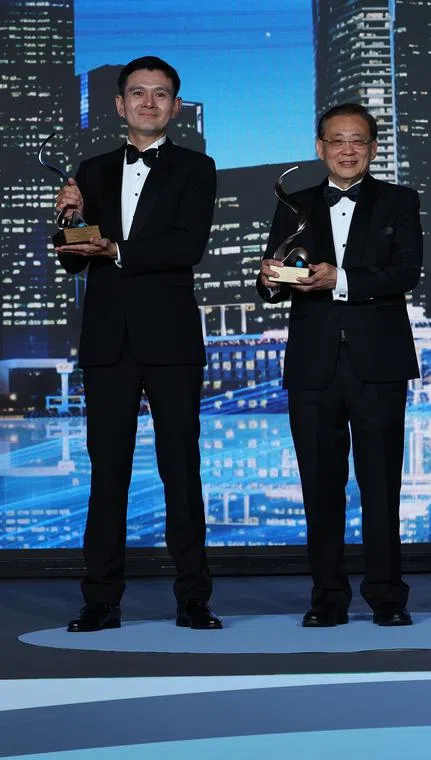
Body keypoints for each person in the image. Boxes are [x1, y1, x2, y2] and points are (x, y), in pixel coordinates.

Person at [54, 56, 221, 632]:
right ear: (120, 104)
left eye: (160, 94)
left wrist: (114, 249)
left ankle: (193, 600)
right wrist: (71, 222)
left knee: (181, 468)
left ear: (174, 105)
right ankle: (100, 601)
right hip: (106, 341)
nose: (149, 103)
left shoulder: (197, 168)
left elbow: (187, 246)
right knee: (108, 474)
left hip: (171, 339)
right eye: (137, 93)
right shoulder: (92, 169)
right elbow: (75, 259)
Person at [256, 103, 422, 627]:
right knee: (319, 488)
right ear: (320, 147)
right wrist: (268, 279)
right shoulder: (294, 204)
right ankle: (327, 597)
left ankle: (387, 598)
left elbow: (405, 273)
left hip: (379, 360)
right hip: (312, 364)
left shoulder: (399, 201)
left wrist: (340, 280)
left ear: (373, 149)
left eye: (358, 141)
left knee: (381, 486)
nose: (347, 149)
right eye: (337, 140)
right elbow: (275, 282)